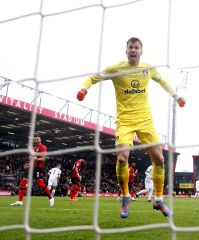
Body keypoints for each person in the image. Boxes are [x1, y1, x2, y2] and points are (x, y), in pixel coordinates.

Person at [76, 37, 186, 218]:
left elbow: (163, 81)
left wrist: (176, 95)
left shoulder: (147, 69)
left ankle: (158, 200)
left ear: (141, 51)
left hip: (145, 120)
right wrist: (84, 89)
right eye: (130, 47)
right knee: (121, 158)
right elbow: (93, 77)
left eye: (136, 47)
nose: (133, 50)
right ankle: (126, 197)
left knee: (159, 159)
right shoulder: (117, 69)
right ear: (126, 51)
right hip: (125, 121)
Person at [10, 134, 54, 206]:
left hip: (38, 168)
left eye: (37, 139)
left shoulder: (43, 147)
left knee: (40, 183)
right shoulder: (34, 148)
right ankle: (20, 201)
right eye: (35, 139)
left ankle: (50, 197)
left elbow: (43, 159)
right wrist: (29, 164)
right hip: (32, 168)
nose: (36, 140)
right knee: (23, 182)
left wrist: (35, 158)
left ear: (40, 140)